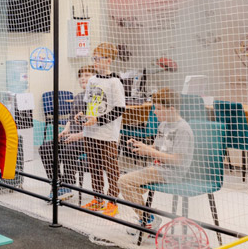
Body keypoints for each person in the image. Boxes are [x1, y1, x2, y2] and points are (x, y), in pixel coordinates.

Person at [117, 88, 194, 230]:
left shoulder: (182, 129)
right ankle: (146, 218)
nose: (154, 112)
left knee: (123, 181)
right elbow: (156, 148)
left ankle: (148, 220)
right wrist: (141, 146)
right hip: (157, 168)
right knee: (127, 186)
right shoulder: (163, 125)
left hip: (172, 172)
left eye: (158, 108)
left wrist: (150, 152)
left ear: (171, 109)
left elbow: (178, 160)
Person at [78, 43, 125, 217]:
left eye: (99, 59)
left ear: (109, 60)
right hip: (90, 132)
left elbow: (119, 109)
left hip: (107, 134)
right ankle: (98, 198)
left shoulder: (114, 82)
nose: (95, 62)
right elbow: (88, 102)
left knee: (111, 168)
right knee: (94, 166)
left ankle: (112, 201)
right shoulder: (92, 80)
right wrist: (84, 114)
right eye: (94, 58)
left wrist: (98, 120)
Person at [38, 66, 95, 202]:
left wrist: (77, 135)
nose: (83, 78)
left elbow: (95, 126)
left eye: (87, 75)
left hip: (87, 138)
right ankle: (56, 184)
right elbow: (71, 118)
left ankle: (68, 184)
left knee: (68, 149)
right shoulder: (78, 96)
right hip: (72, 136)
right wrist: (66, 130)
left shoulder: (96, 98)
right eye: (81, 76)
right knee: (45, 148)